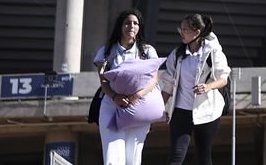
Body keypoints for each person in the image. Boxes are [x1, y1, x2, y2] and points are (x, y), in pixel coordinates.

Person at [158, 13, 232, 165]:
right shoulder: (177, 54)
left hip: (206, 111)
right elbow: (168, 85)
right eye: (181, 29)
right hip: (180, 111)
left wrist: (208, 86)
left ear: (197, 32)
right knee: (176, 156)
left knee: (203, 157)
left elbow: (223, 79)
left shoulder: (213, 52)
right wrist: (157, 109)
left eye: (185, 30)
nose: (181, 33)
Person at [93, 9, 160, 165]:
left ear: (139, 27)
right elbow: (103, 80)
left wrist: (136, 96)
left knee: (133, 159)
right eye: (127, 23)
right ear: (120, 27)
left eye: (135, 23)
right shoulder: (106, 51)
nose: (131, 26)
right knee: (113, 157)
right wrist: (115, 97)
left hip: (138, 107)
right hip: (111, 105)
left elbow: (154, 79)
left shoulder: (147, 51)